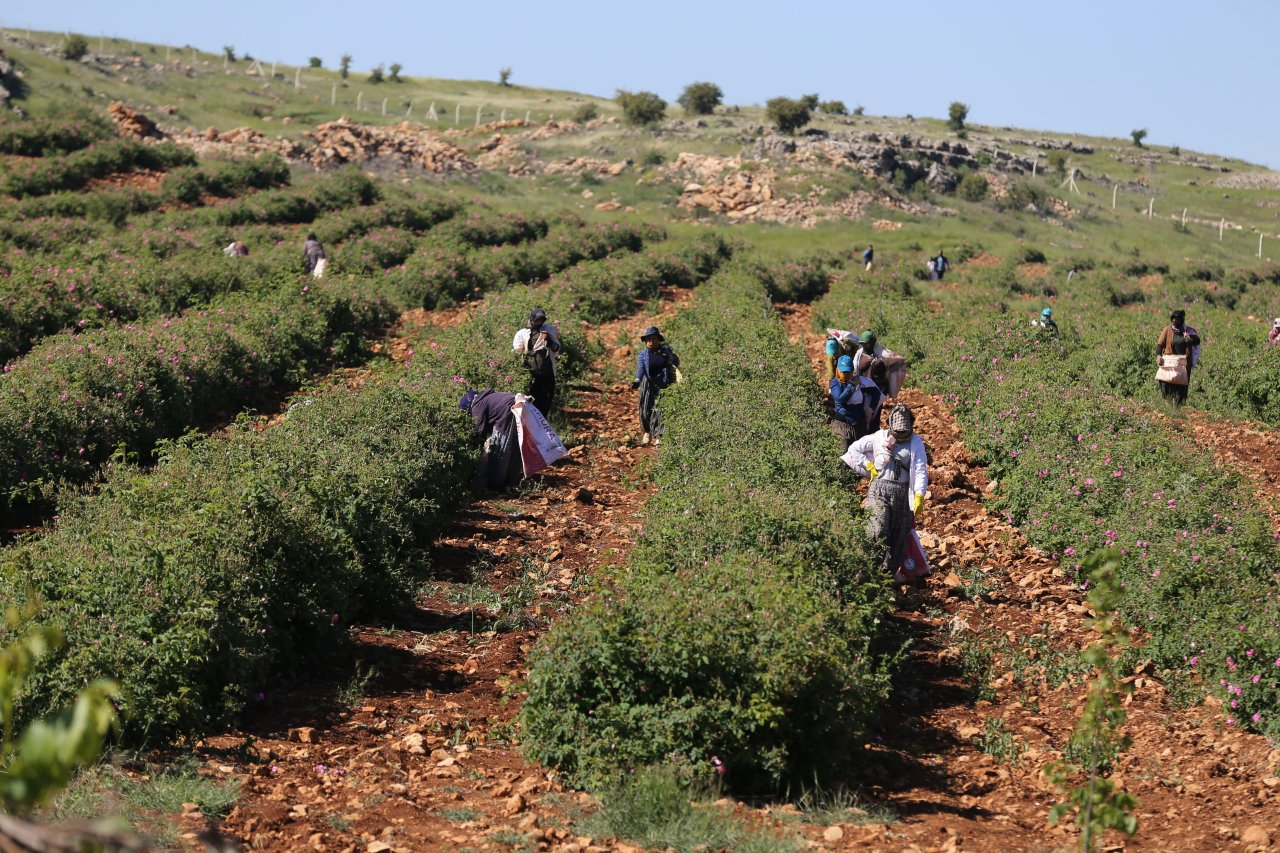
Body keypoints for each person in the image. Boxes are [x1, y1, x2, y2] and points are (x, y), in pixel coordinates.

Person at [843, 404, 929, 578]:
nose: (901, 436)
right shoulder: (879, 437)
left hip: (903, 494)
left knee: (898, 537)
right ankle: (866, 569)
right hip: (879, 489)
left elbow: (920, 470)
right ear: (890, 425)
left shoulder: (916, 442)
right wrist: (867, 464)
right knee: (877, 529)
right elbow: (853, 449)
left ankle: (885, 577)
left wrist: (919, 494)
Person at [459, 388, 523, 491]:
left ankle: (495, 484)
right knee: (516, 445)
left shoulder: (477, 406)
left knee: (501, 448)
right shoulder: (485, 398)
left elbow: (479, 432)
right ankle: (509, 482)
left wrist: (474, 448)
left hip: (508, 411)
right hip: (520, 407)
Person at [632, 325, 680, 446]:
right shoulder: (643, 354)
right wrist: (637, 380)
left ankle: (659, 435)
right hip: (648, 384)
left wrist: (669, 356)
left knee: (660, 409)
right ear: (645, 341)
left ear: (658, 340)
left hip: (663, 383)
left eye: (654, 339)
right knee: (645, 408)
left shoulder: (666, 350)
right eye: (649, 339)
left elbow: (675, 363)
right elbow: (641, 369)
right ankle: (647, 432)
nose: (651, 341)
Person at [512, 307, 561, 415]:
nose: (539, 323)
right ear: (532, 319)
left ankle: (543, 427)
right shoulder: (522, 334)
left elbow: (557, 348)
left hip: (548, 375)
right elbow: (517, 351)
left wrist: (550, 343)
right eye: (537, 320)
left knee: (546, 403)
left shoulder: (549, 331)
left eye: (541, 320)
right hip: (531, 375)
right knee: (531, 404)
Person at [1156, 309, 1201, 405]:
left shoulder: (1188, 331)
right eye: (1173, 319)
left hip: (1183, 365)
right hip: (1169, 363)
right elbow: (1159, 345)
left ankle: (1178, 408)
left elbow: (1197, 340)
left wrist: (1190, 339)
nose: (1174, 321)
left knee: (1180, 389)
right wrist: (1158, 356)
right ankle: (1168, 406)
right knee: (1166, 384)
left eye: (1177, 319)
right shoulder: (1167, 330)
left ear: (1182, 320)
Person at [828, 355, 864, 448]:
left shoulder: (858, 380)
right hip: (842, 425)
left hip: (858, 425)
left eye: (848, 372)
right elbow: (840, 399)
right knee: (842, 452)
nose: (845, 374)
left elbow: (875, 392)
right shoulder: (834, 383)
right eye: (843, 372)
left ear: (852, 370)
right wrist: (851, 385)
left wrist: (871, 408)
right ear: (838, 370)